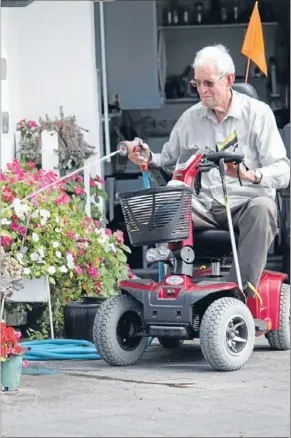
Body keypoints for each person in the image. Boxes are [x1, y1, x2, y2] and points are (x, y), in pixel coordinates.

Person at [128, 44, 290, 292]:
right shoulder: (190, 118)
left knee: (264, 208)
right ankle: (175, 286)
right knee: (172, 192)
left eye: (208, 83)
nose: (202, 91)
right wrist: (145, 156)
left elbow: (283, 171)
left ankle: (239, 295)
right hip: (203, 207)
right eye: (197, 84)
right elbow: (166, 160)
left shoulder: (258, 114)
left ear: (229, 80)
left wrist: (250, 175)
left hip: (244, 205)